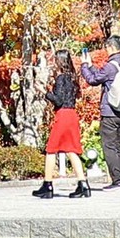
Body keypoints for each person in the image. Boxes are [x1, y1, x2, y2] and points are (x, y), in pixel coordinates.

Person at [80, 36, 120, 189]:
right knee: (117, 146)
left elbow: (92, 80)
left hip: (110, 111)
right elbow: (101, 76)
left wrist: (85, 65)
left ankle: (117, 180)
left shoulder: (110, 66)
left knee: (109, 147)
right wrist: (92, 66)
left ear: (111, 47)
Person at [35, 50, 92, 199]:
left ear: (58, 62)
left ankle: (47, 185)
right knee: (71, 150)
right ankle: (83, 184)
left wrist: (44, 92)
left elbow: (58, 100)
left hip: (63, 115)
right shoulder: (73, 79)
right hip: (72, 114)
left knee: (51, 149)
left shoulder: (61, 78)